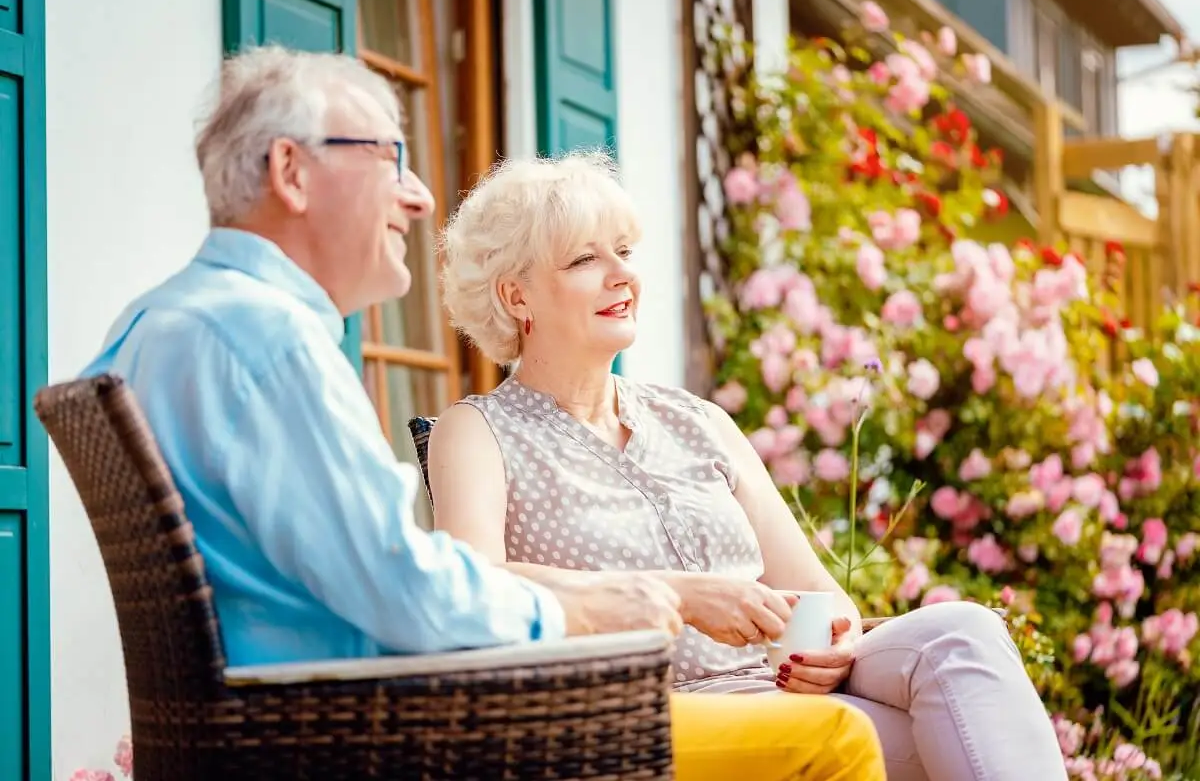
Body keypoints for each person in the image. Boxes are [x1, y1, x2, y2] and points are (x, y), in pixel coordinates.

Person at [80, 46, 886, 781]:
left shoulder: (153, 327)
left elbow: (370, 571)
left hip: (280, 720)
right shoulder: (268, 340)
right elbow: (408, 590)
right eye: (389, 158)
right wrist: (602, 604)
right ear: (291, 171)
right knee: (837, 742)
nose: (421, 196)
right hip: (371, 729)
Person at [429, 149, 1070, 781]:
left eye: (622, 252)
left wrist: (837, 641)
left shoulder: (698, 421)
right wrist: (680, 596)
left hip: (788, 700)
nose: (621, 275)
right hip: (656, 727)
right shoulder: (477, 430)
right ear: (517, 296)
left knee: (963, 634)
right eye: (584, 260)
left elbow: (822, 597)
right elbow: (473, 584)